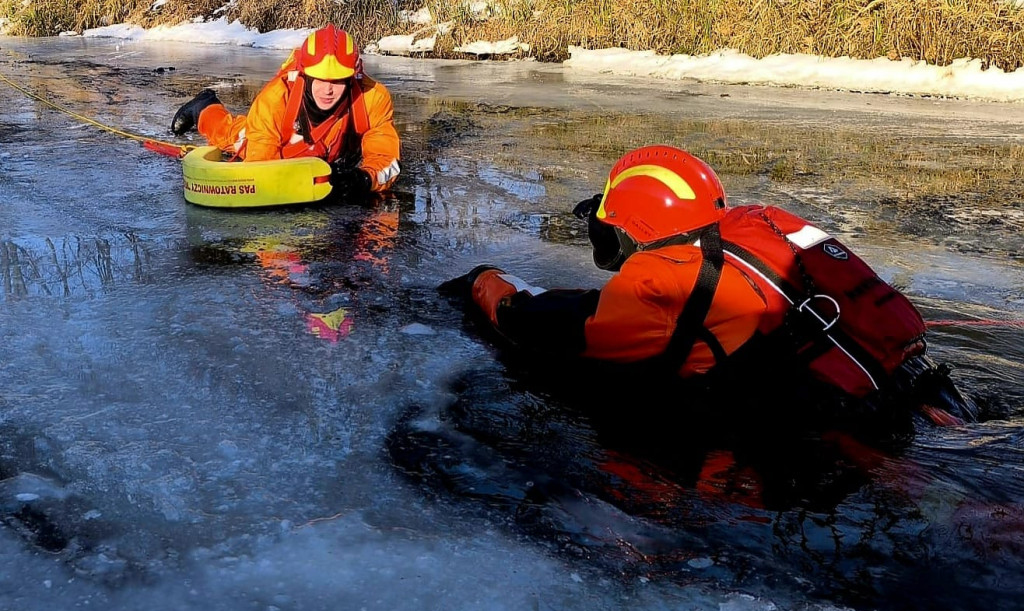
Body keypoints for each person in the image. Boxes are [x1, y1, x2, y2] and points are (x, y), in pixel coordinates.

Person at [443, 145, 976, 428]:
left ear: (634, 227)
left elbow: (544, 326)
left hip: (844, 432)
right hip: (915, 385)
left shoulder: (660, 282)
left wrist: (483, 283)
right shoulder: (758, 223)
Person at [170, 24, 401, 198]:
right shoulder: (275, 99)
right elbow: (260, 175)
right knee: (236, 136)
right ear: (305, 75)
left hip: (335, 149)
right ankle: (204, 107)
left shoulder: (373, 99)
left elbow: (387, 161)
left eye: (338, 81)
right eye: (319, 79)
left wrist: (363, 179)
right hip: (283, 145)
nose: (328, 90)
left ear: (353, 78)